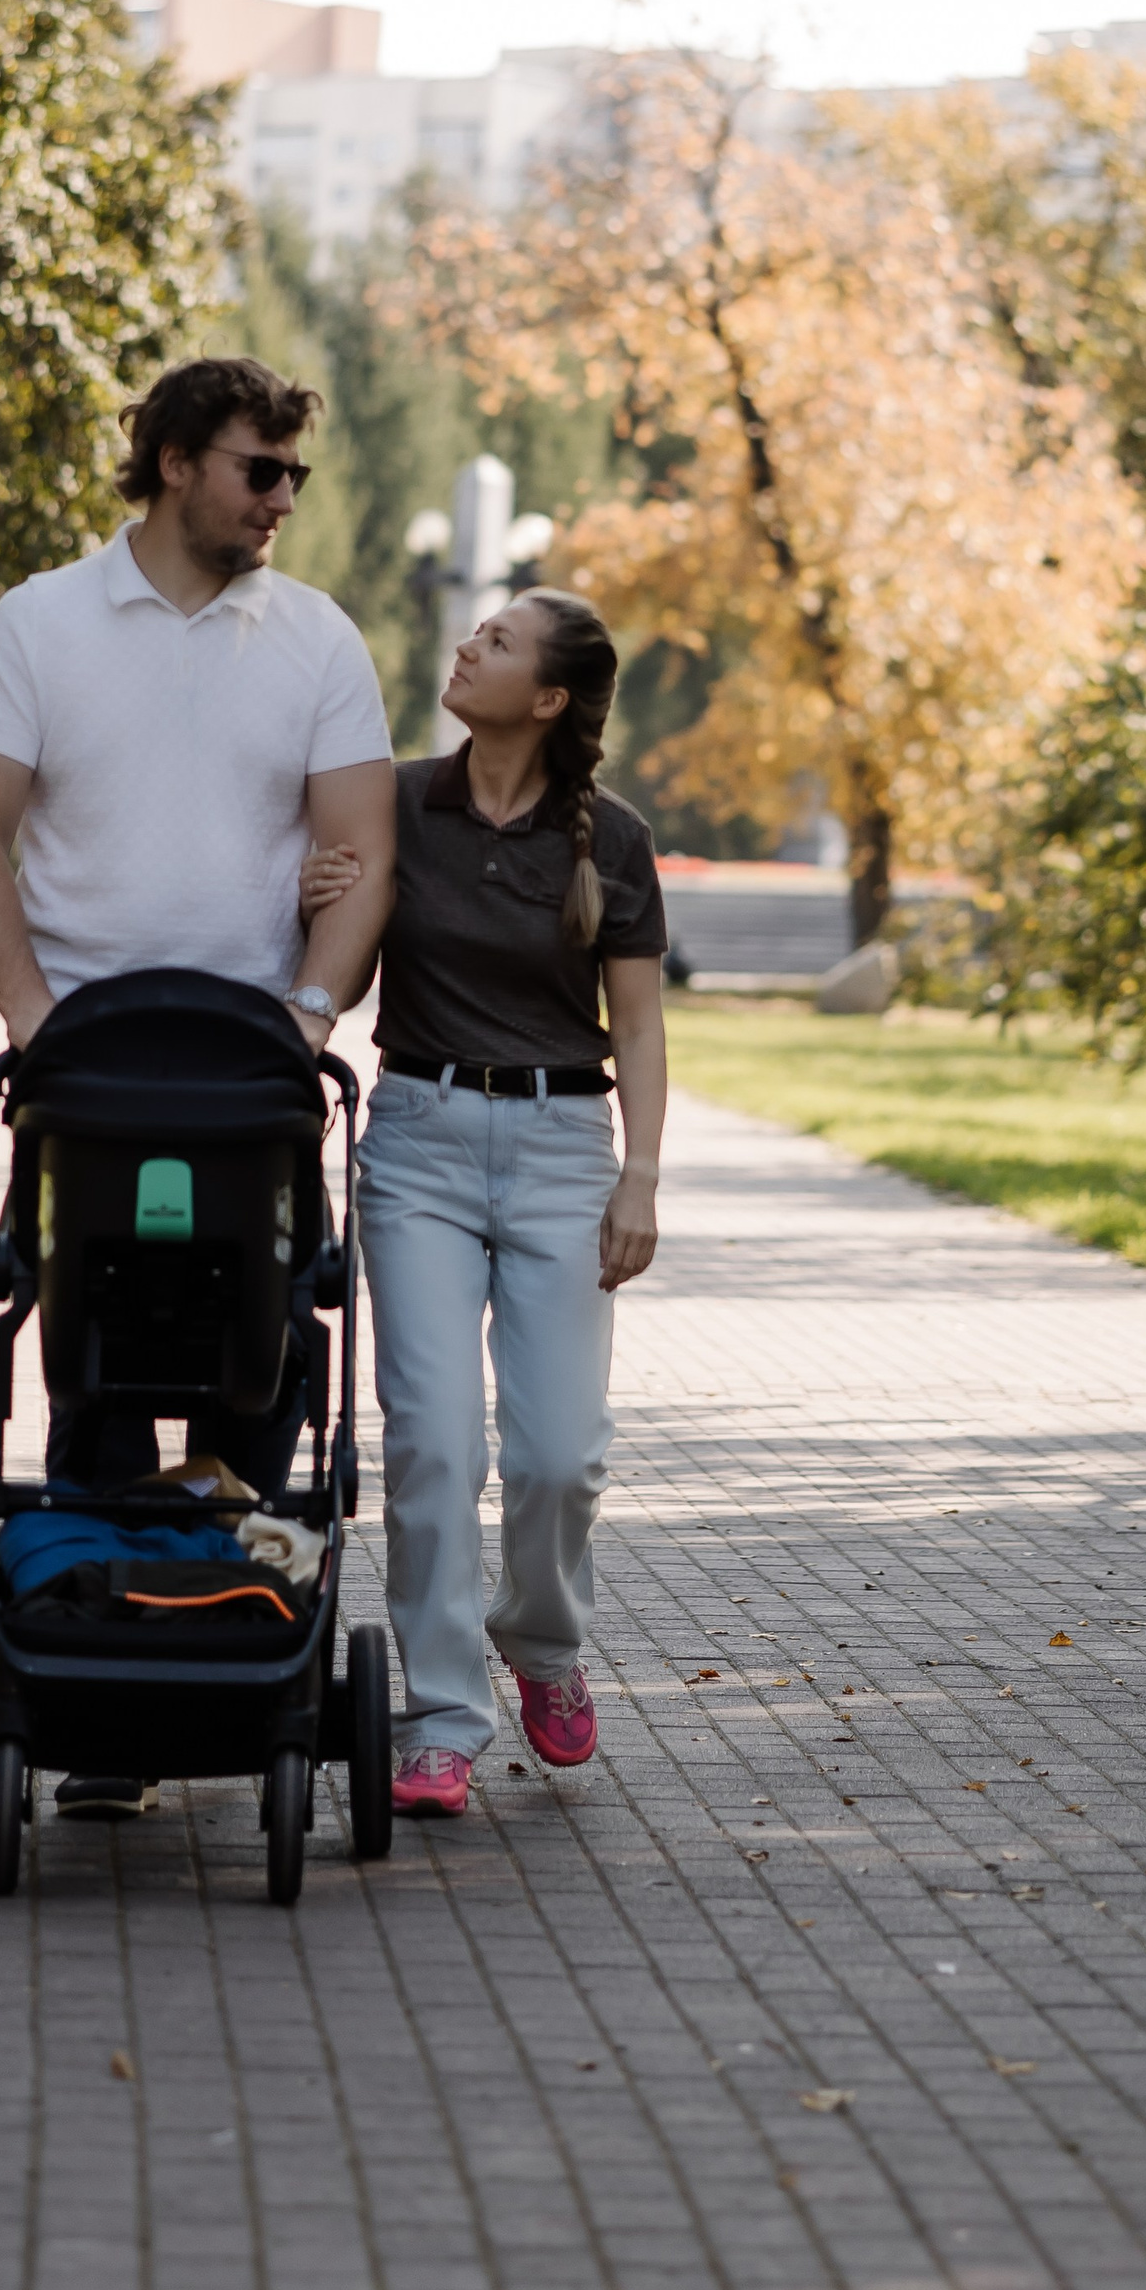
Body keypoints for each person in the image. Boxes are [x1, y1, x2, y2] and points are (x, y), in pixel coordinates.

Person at [0, 353, 395, 1815]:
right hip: (85, 1075)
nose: (281, 499)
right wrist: (30, 1011)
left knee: (261, 1360)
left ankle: (242, 1649)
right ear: (179, 458)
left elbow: (362, 850)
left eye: (292, 477)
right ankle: (103, 1688)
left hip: (257, 1080)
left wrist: (313, 1010)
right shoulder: (40, 622)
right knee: (90, 1355)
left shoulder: (319, 639)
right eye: (261, 469)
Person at [303, 588, 667, 1819]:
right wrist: (321, 904)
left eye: (499, 643)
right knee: (434, 1443)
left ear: (550, 697)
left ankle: (542, 1642)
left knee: (561, 1454)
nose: (468, 645)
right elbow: (342, 977)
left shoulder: (610, 839)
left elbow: (641, 1025)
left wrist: (640, 1175)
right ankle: (443, 1715)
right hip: (419, 1142)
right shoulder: (402, 799)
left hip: (567, 1147)